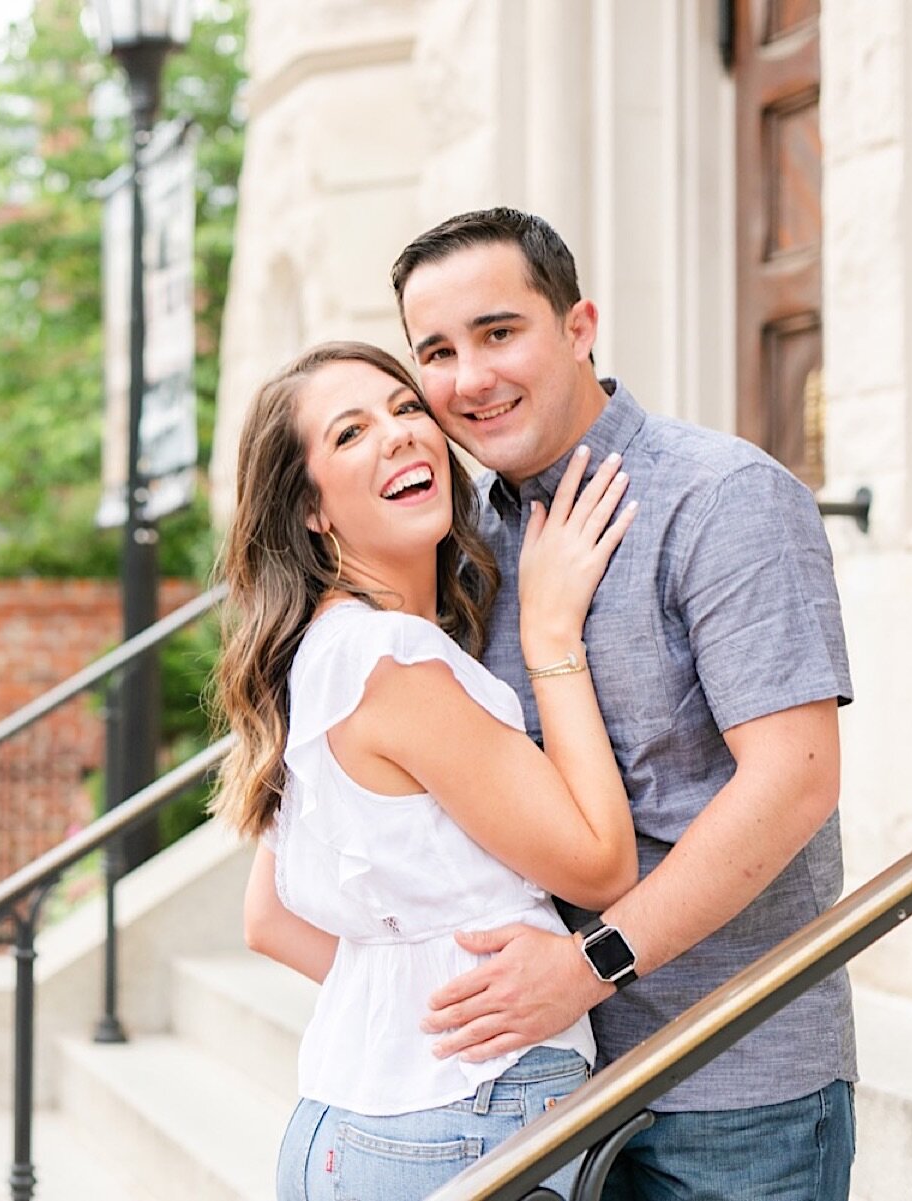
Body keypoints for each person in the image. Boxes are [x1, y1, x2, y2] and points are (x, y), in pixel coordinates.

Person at [391, 206, 855, 1200]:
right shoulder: (460, 535)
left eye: (498, 332)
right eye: (437, 350)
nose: (469, 379)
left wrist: (589, 962)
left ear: (579, 326)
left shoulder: (724, 496)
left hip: (732, 1082)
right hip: (536, 1081)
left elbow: (797, 779)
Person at [211, 339, 641, 1199]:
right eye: (350, 433)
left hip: (351, 1122)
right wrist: (554, 638)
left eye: (407, 409)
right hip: (468, 1113)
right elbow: (601, 862)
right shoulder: (394, 660)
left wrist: (414, 990)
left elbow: (268, 918)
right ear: (312, 511)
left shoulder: (314, 655)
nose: (401, 435)